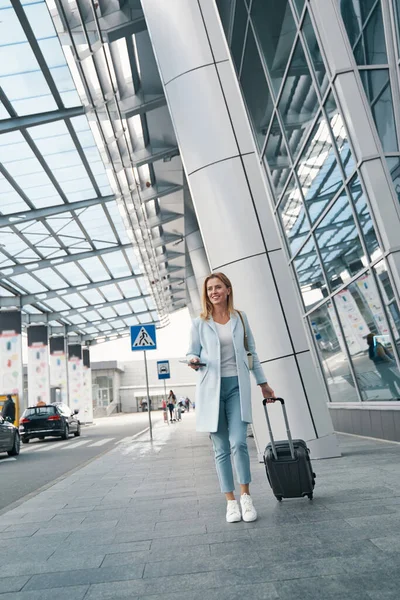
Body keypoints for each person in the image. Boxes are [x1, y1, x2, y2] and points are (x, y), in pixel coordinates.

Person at [187, 272, 276, 523]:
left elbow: (251, 352)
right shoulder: (199, 323)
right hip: (211, 390)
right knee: (221, 448)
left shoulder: (240, 318)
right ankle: (230, 502)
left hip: (237, 387)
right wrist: (193, 360)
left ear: (227, 289)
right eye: (209, 289)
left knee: (239, 443)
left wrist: (264, 384)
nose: (213, 292)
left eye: (217, 287)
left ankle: (246, 496)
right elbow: (192, 352)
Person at [367, 333, 400, 398]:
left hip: (380, 368)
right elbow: (382, 355)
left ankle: (397, 396)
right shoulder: (377, 345)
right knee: (398, 379)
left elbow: (371, 357)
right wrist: (392, 361)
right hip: (388, 366)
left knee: (390, 383)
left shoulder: (370, 348)